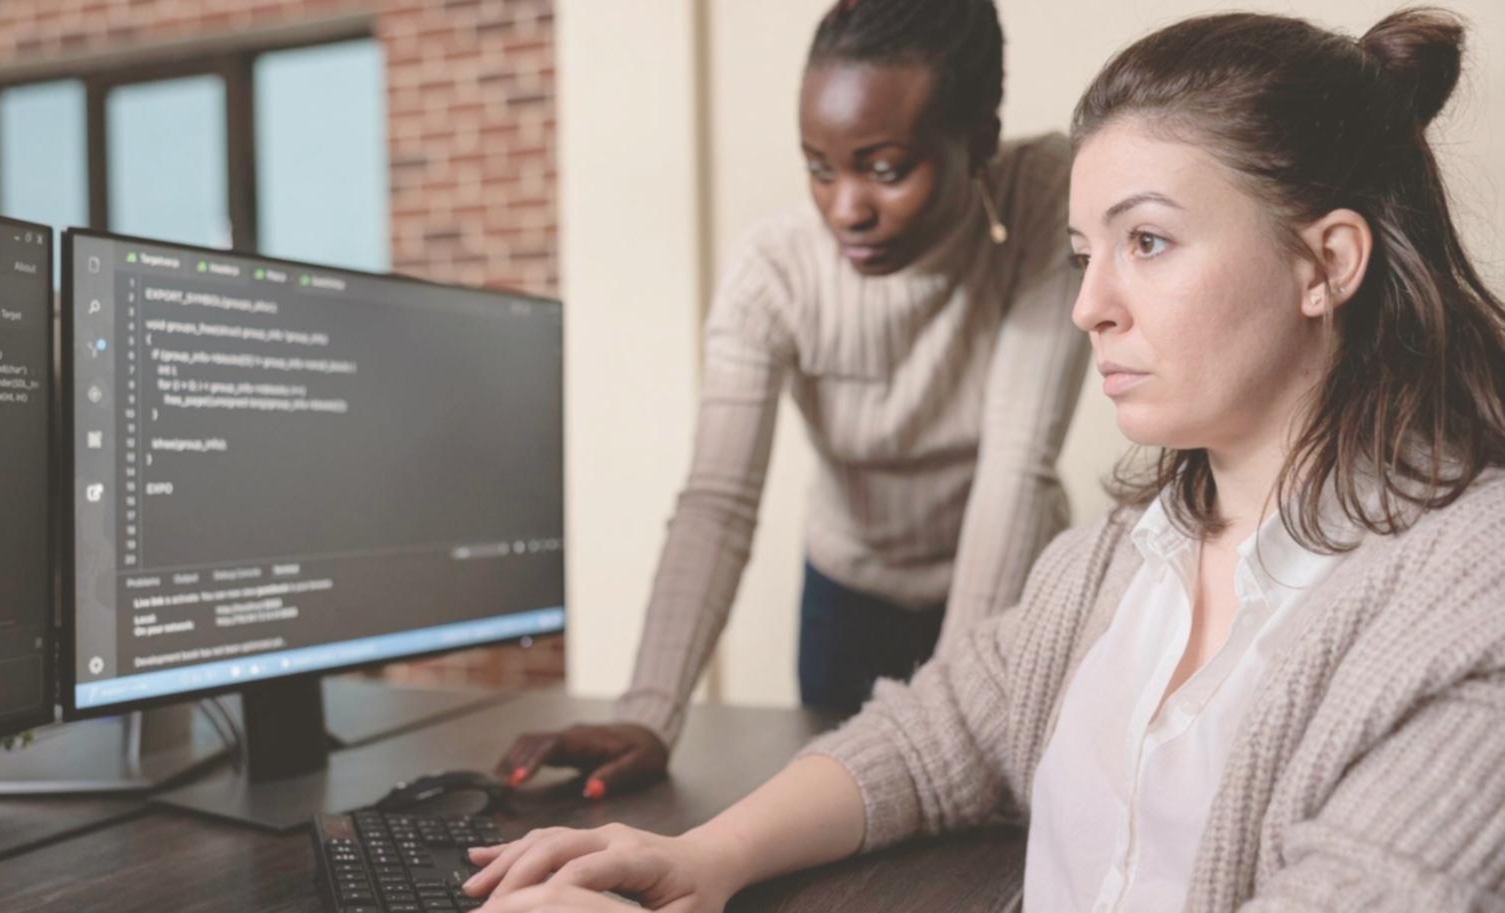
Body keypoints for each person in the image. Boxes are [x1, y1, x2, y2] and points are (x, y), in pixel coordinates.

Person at [462, 8, 1505, 912]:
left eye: (1144, 242)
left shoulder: (1468, 606)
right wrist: (697, 855)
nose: (1089, 303)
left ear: (1323, 263)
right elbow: (939, 728)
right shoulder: (1109, 564)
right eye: (1081, 254)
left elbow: (1010, 478)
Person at [494, 0, 1088, 799]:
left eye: (884, 169)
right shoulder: (773, 273)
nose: (846, 208)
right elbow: (717, 501)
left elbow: (1014, 470)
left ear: (978, 138)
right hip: (849, 594)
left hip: (1013, 583)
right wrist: (648, 712)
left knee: (989, 819)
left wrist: (951, 730)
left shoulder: (1049, 201)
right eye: (818, 166)